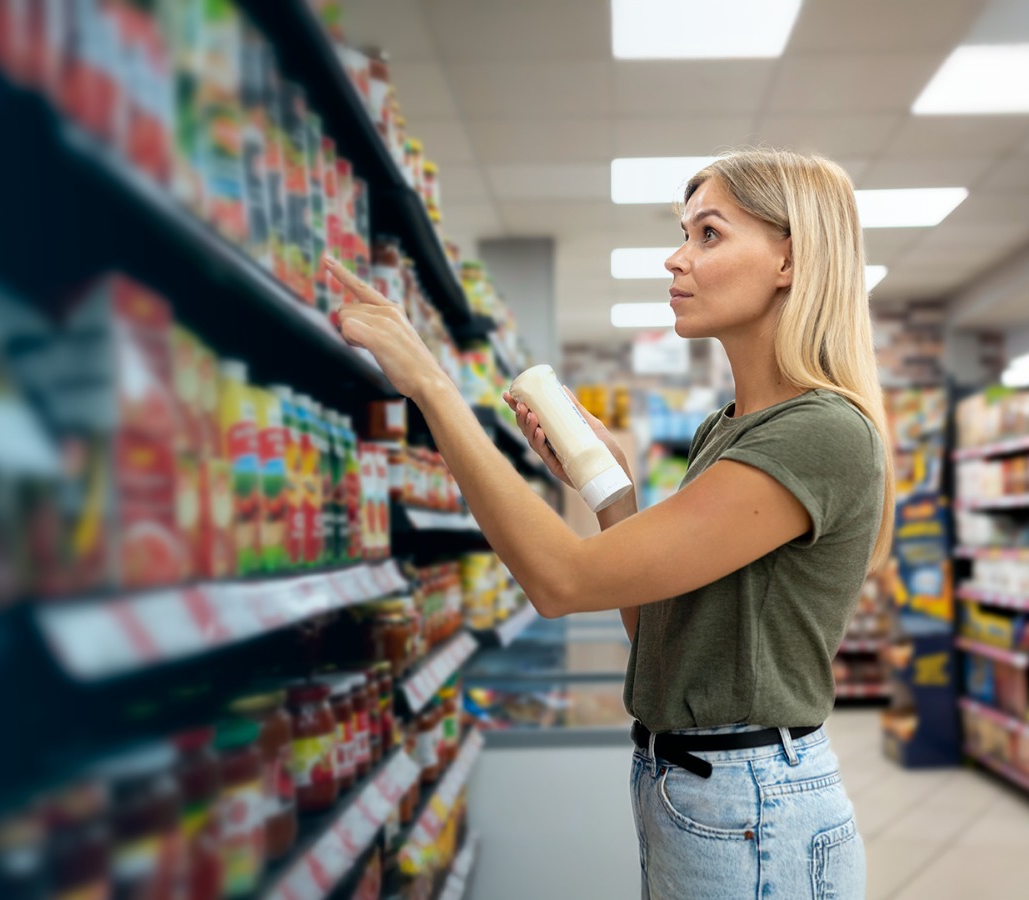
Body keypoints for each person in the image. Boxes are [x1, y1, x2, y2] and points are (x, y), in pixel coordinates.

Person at [324, 148, 891, 900]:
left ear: (789, 259)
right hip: (693, 784)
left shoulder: (819, 431)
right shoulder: (728, 430)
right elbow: (659, 641)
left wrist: (431, 385)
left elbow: (560, 583)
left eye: (708, 235)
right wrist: (610, 494)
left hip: (750, 803)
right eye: (684, 234)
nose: (676, 258)